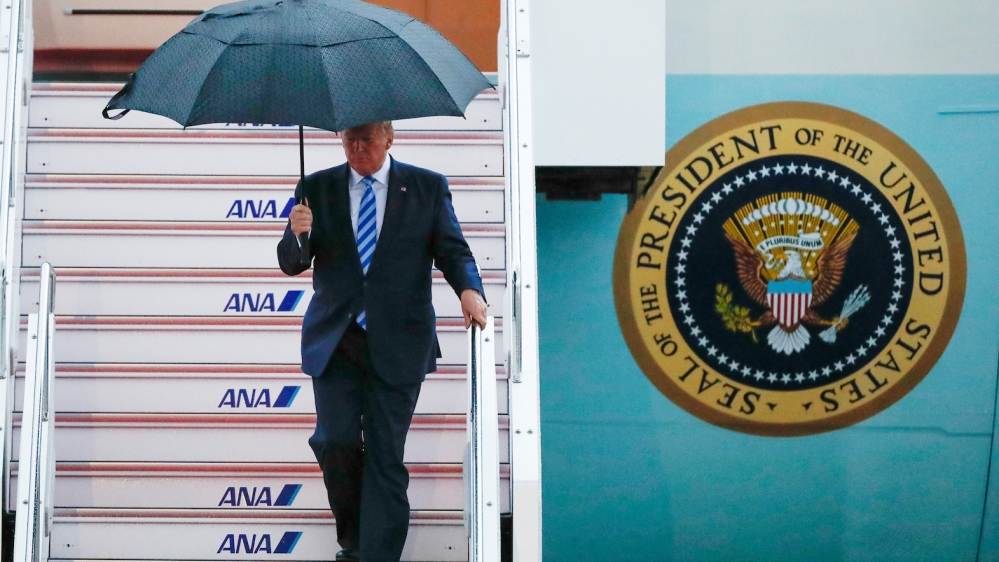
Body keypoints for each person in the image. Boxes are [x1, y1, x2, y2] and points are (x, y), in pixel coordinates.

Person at [277, 120, 487, 562]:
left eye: (366, 139)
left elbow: (452, 249)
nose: (356, 147)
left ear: (389, 139)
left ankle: (377, 556)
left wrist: (469, 290)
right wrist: (297, 233)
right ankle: (354, 540)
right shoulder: (315, 187)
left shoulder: (427, 187)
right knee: (334, 441)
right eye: (349, 139)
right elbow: (292, 265)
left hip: (400, 340)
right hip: (337, 341)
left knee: (385, 454)